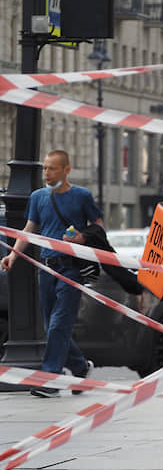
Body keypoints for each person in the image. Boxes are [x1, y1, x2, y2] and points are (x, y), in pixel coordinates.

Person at [0, 150, 102, 397]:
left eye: (52, 168)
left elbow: (98, 225)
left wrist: (82, 238)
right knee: (51, 327)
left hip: (72, 269)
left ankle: (51, 379)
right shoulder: (38, 197)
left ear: (66, 170)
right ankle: (79, 365)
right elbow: (29, 228)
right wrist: (13, 255)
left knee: (58, 325)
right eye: (45, 168)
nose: (47, 173)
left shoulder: (81, 196)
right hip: (46, 268)